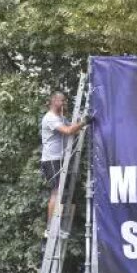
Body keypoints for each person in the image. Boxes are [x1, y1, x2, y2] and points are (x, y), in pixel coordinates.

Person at [40, 92, 90, 224]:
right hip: (51, 160)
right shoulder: (50, 118)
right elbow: (68, 131)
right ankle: (50, 227)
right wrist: (84, 122)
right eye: (62, 101)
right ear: (54, 101)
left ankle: (62, 224)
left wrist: (84, 125)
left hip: (61, 159)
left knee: (66, 192)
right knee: (57, 191)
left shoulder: (61, 118)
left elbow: (73, 129)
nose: (64, 103)